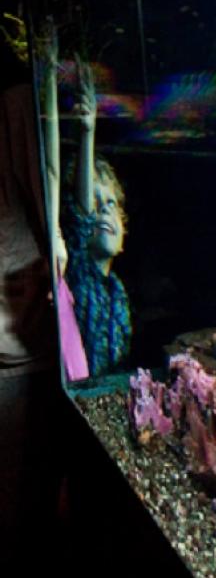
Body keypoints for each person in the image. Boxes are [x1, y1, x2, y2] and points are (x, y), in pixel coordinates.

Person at [40, 27, 131, 377]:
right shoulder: (77, 269)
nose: (103, 211)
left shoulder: (118, 293)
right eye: (97, 204)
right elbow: (80, 211)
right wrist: (87, 131)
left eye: (110, 204)